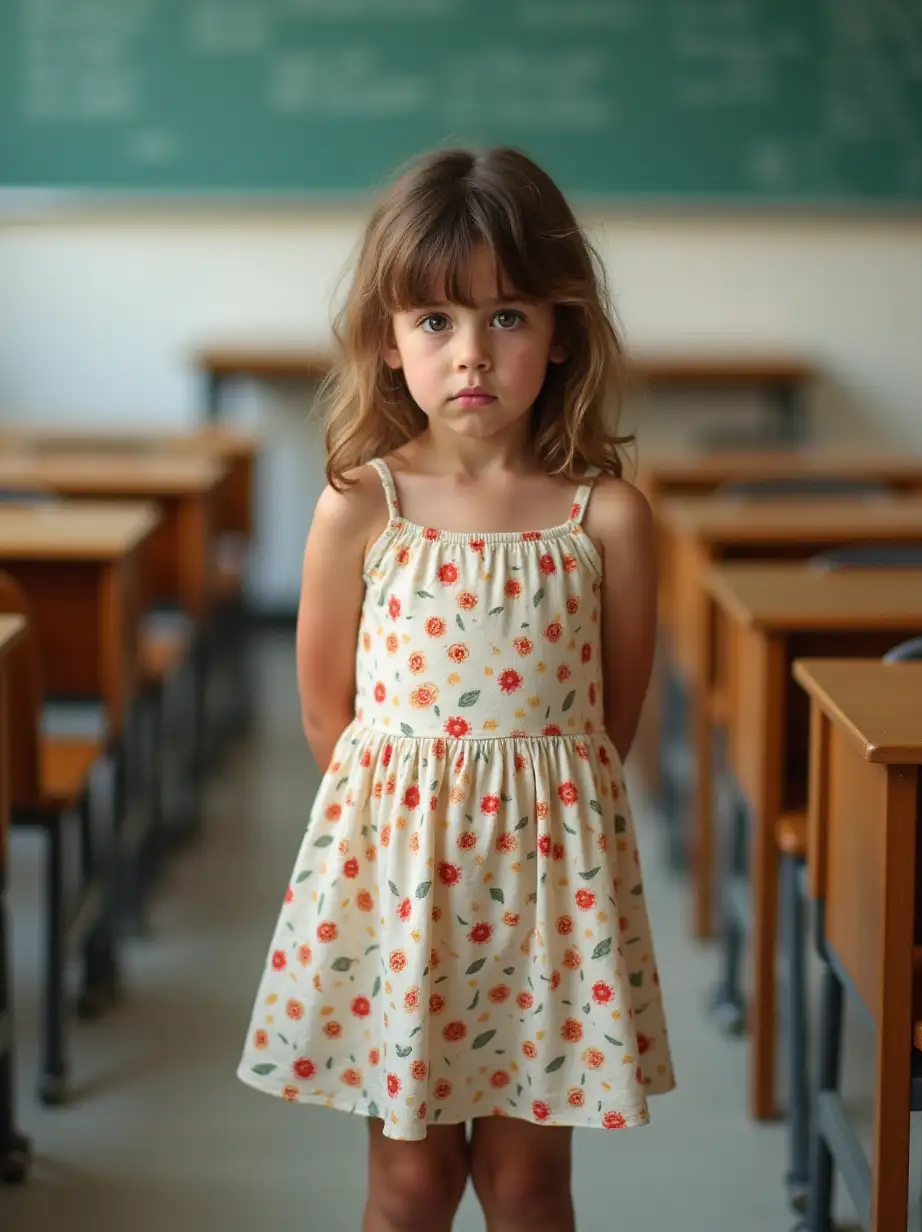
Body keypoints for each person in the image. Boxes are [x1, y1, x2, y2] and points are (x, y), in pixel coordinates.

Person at [237, 146, 675, 1232]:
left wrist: (531, 816)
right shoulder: (361, 505)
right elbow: (324, 711)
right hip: (402, 890)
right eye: (434, 320)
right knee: (411, 1183)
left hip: (547, 895)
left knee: (528, 1187)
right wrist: (411, 827)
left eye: (508, 316)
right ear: (388, 342)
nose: (470, 351)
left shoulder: (605, 518)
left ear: (561, 330)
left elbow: (609, 719)